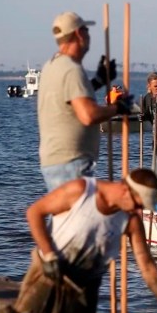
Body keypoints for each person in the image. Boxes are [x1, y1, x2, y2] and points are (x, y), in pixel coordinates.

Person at [14, 168, 157, 313]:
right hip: (47, 275)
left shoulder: (131, 219)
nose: (138, 211)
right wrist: (49, 255)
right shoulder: (80, 191)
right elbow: (34, 212)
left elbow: (147, 265)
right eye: (138, 205)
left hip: (85, 289)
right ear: (125, 191)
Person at [38, 11, 134, 192]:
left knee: (68, 218)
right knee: (77, 217)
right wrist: (118, 108)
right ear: (78, 34)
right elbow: (88, 115)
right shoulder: (71, 69)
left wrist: (99, 80)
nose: (89, 36)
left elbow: (72, 98)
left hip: (57, 159)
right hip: (71, 161)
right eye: (86, 31)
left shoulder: (52, 66)